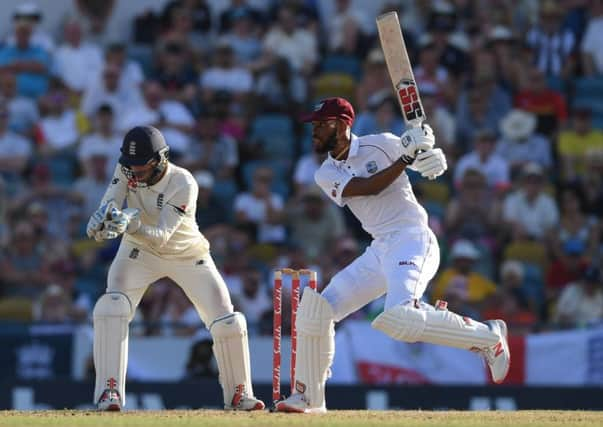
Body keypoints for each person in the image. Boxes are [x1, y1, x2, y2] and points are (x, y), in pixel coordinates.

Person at [275, 98, 510, 413]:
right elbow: (368, 187)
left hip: (413, 238)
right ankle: (309, 399)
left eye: (321, 124)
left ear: (343, 124)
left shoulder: (382, 144)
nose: (314, 131)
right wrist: (409, 157)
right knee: (315, 311)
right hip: (379, 249)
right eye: (314, 125)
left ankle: (488, 337)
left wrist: (430, 156)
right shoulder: (325, 173)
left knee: (400, 317)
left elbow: (425, 159)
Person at [85, 125, 264, 411]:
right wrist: (100, 222)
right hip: (138, 251)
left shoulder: (183, 182)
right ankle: (110, 392)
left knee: (228, 321)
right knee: (111, 306)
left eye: (141, 166)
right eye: (130, 166)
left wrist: (130, 223)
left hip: (186, 254)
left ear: (160, 159)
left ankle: (239, 394)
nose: (134, 173)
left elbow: (161, 237)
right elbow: (109, 204)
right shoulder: (126, 168)